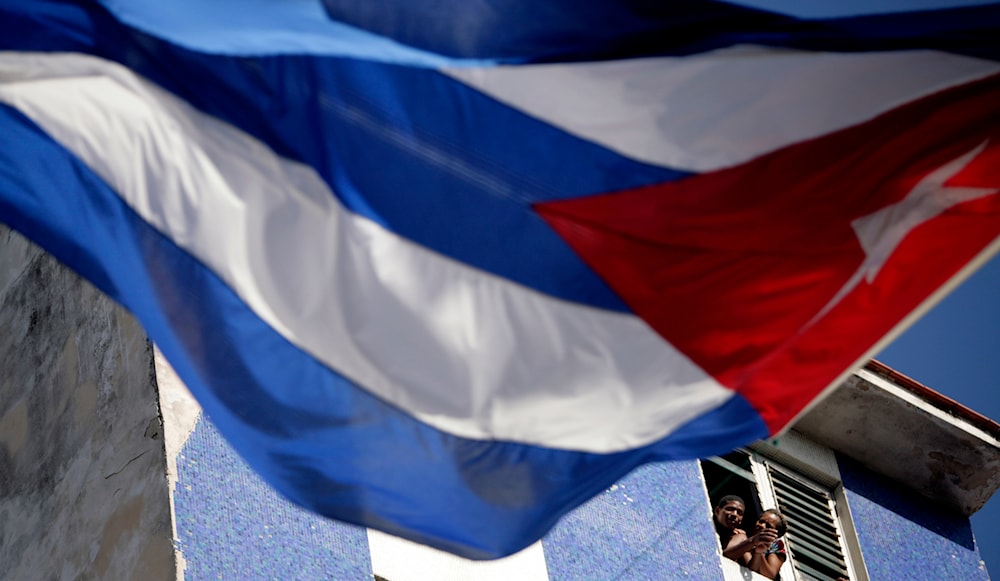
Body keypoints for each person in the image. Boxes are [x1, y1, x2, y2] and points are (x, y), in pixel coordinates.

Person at [744, 509, 788, 580]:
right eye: (761, 521)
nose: (762, 526)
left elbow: (770, 574)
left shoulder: (776, 546)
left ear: (777, 534)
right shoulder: (744, 535)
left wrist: (759, 552)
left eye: (768, 526)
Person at [713, 495, 749, 562]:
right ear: (717, 511)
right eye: (730, 509)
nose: (735, 514)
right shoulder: (705, 528)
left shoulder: (740, 538)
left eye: (739, 513)